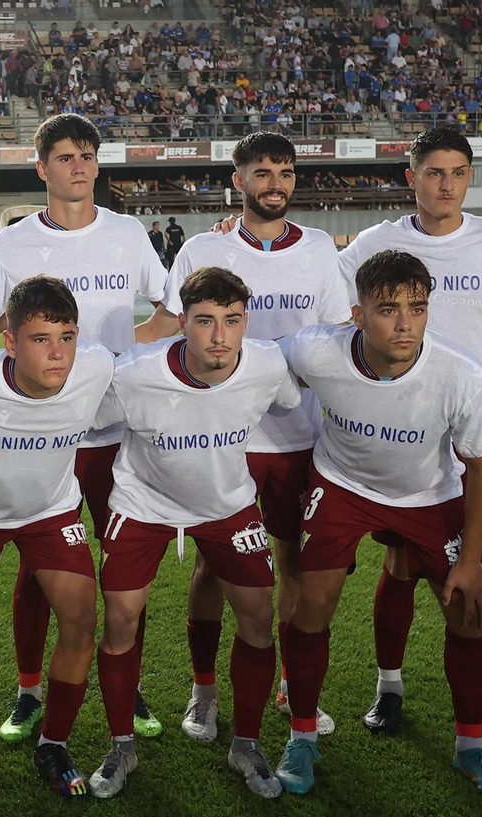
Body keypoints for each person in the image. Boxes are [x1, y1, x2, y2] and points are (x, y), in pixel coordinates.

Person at [339, 128, 482, 740]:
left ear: (470, 177)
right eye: (434, 172)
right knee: (402, 564)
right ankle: (389, 686)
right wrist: (239, 235)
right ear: (410, 175)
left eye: (459, 173)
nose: (446, 185)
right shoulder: (376, 243)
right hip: (407, 433)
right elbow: (324, 295)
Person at [277, 249, 482, 805]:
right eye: (388, 309)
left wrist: (469, 560)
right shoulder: (317, 349)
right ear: (357, 314)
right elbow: (258, 365)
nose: (406, 322)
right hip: (342, 485)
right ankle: (302, 736)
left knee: (468, 613)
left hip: (428, 495)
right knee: (311, 604)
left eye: (417, 306)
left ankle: (471, 747)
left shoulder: (460, 375)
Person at [0, 113, 168, 742]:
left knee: (125, 569)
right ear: (41, 167)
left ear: (97, 166)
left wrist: (123, 357)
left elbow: (171, 308)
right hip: (43, 432)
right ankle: (27, 690)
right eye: (66, 156)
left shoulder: (127, 232)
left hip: (116, 433)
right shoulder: (14, 242)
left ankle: (130, 684)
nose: (79, 166)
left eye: (88, 155)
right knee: (36, 568)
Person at [142, 132, 351, 739]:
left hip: (295, 436)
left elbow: (337, 334)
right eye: (262, 172)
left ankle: (287, 684)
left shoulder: (317, 249)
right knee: (212, 567)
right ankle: (202, 692)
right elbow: (166, 324)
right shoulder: (204, 249)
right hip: (219, 438)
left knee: (292, 565)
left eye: (285, 172)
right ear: (238, 180)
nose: (276, 183)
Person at [87, 267, 300, 800]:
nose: (220, 336)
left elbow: (292, 404)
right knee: (120, 616)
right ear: (181, 322)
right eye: (205, 321)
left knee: (257, 617)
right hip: (144, 502)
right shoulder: (135, 373)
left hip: (227, 502)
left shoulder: (268, 364)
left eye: (232, 320)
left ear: (246, 320)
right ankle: (121, 745)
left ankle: (245, 743)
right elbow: (90, 418)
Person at [0, 275, 113, 799]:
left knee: (81, 618)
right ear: (9, 342)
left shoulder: (95, 369)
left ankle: (53, 743)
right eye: (40, 339)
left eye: (67, 337)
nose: (58, 355)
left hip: (50, 511)